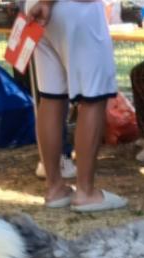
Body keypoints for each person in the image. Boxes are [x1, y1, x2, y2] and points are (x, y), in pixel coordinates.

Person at [27, 0, 127, 213]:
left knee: (51, 97)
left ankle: (55, 188)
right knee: (93, 98)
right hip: (76, 8)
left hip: (37, 8)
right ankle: (85, 192)